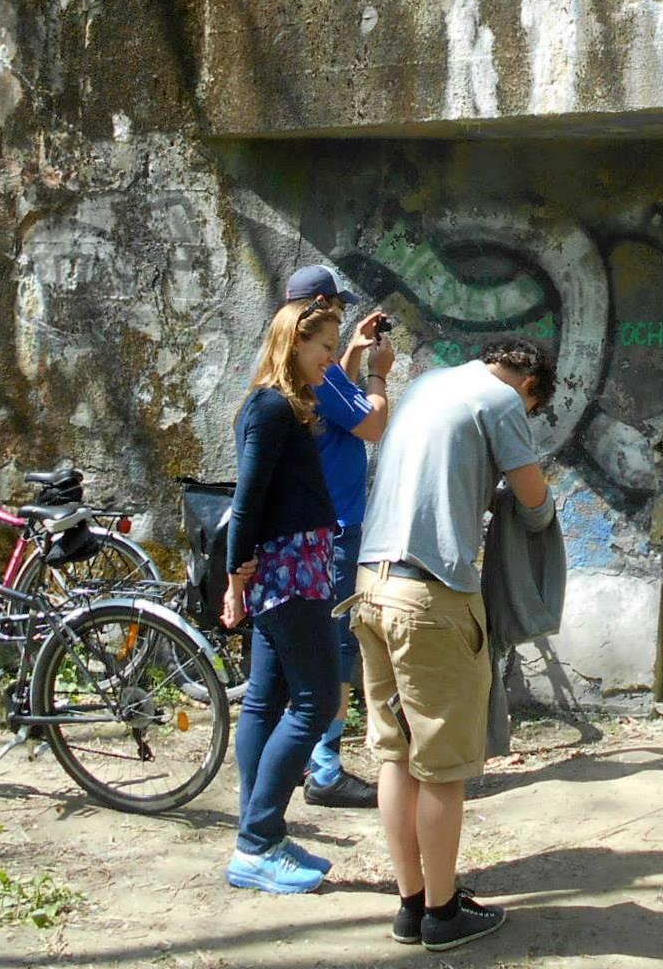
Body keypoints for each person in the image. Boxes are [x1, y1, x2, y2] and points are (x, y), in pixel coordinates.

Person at [353, 335, 557, 951]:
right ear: (529, 385)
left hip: (369, 587)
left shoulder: (428, 383)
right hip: (433, 598)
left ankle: (411, 903)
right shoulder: (499, 401)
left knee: (396, 755)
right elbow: (533, 500)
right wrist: (540, 511)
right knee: (442, 767)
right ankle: (443, 915)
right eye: (533, 410)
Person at [222, 297, 348, 893]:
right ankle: (256, 843)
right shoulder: (271, 408)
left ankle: (259, 833)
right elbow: (246, 501)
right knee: (316, 702)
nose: (331, 359)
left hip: (296, 566)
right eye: (325, 347)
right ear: (295, 342)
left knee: (265, 701)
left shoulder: (285, 406)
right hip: (289, 570)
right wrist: (234, 578)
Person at [280, 263, 394, 808]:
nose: (342, 318)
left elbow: (336, 404)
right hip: (338, 526)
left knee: (308, 645)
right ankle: (325, 766)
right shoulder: (319, 378)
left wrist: (349, 351)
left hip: (315, 522)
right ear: (320, 306)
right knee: (338, 643)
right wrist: (379, 373)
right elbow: (370, 423)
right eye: (335, 314)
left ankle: (305, 756)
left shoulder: (301, 368)